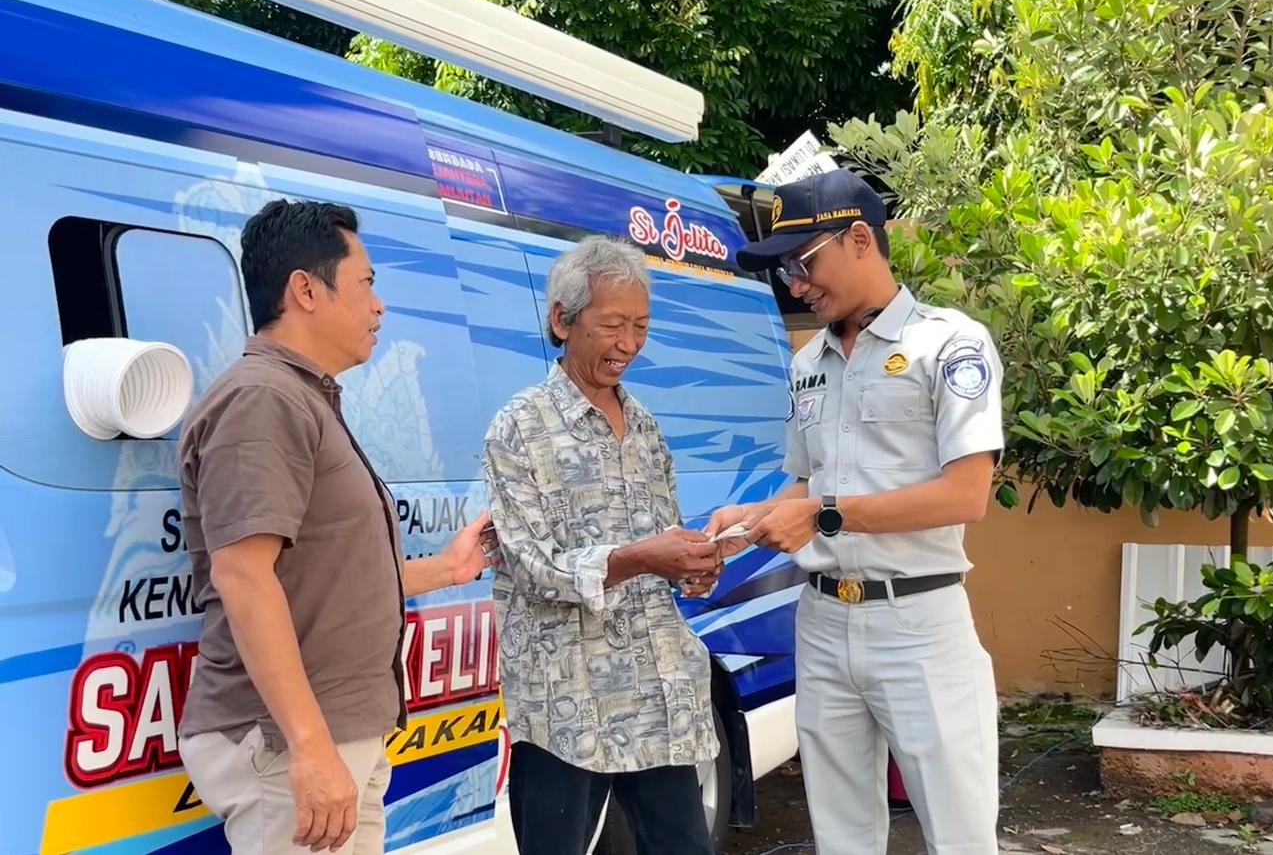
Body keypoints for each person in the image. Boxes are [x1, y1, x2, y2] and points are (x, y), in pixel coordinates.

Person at [176, 199, 497, 855]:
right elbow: (242, 574)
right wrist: (310, 747)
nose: (379, 307)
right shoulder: (263, 400)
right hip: (288, 744)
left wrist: (449, 569)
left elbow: (324, 577)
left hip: (328, 733)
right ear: (305, 290)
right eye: (367, 284)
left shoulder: (300, 397)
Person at [709, 169, 1004, 855]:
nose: (797, 285)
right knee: (841, 834)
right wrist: (744, 522)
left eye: (806, 263)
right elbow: (803, 487)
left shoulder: (949, 344)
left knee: (959, 834)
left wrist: (823, 516)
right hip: (821, 621)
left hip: (919, 625)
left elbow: (967, 495)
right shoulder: (808, 361)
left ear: (862, 238)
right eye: (785, 270)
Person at [481, 236, 725, 855]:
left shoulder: (644, 426)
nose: (629, 345)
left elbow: (665, 536)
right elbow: (530, 564)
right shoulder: (520, 426)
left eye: (641, 327)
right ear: (563, 321)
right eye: (612, 325)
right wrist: (642, 558)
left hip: (656, 694)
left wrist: (693, 568)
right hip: (567, 704)